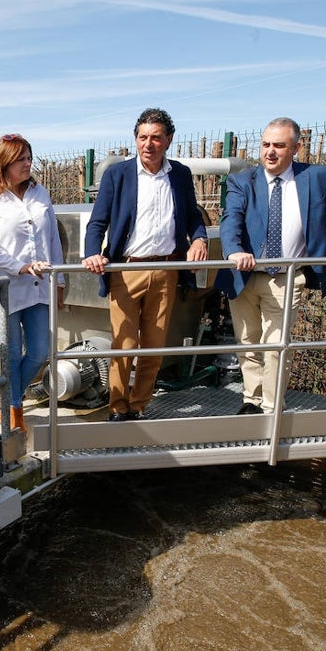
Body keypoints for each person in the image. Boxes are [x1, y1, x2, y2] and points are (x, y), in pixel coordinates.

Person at [220, 116, 326, 415]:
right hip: (242, 274)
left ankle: (270, 410)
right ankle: (251, 402)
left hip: (287, 276)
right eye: (266, 144)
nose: (270, 151)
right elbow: (231, 219)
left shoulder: (317, 178)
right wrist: (233, 251)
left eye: (279, 146)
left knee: (276, 346)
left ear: (296, 148)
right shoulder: (243, 181)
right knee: (247, 343)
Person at [83, 108, 209, 422]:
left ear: (168, 140)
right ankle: (117, 407)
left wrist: (199, 239)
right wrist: (91, 253)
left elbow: (193, 216)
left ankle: (138, 406)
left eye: (155, 137)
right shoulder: (118, 174)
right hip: (126, 270)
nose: (148, 144)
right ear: (135, 140)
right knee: (124, 344)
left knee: (154, 345)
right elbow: (97, 223)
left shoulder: (179, 174)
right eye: (142, 137)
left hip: (167, 270)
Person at [0, 133, 65, 432]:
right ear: (4, 163)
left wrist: (59, 280)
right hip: (6, 289)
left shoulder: (40, 193)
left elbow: (53, 240)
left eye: (29, 157)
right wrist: (19, 267)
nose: (27, 164)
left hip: (40, 286)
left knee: (39, 352)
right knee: (10, 354)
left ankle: (10, 399)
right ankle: (13, 409)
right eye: (20, 159)